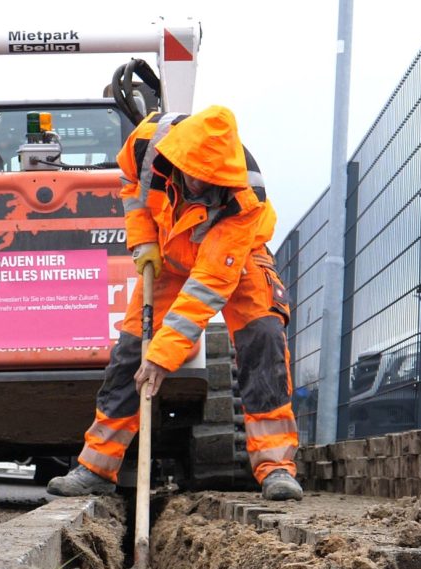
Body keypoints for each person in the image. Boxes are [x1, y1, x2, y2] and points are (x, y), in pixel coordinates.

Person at [47, 105, 303, 501]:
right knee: (131, 352)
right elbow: (132, 186)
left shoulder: (243, 202)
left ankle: (276, 469)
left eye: (208, 180)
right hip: (169, 252)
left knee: (264, 337)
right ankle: (97, 467)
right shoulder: (148, 142)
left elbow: (207, 287)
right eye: (193, 176)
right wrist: (144, 240)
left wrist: (163, 358)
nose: (198, 186)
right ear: (180, 157)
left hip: (237, 257)